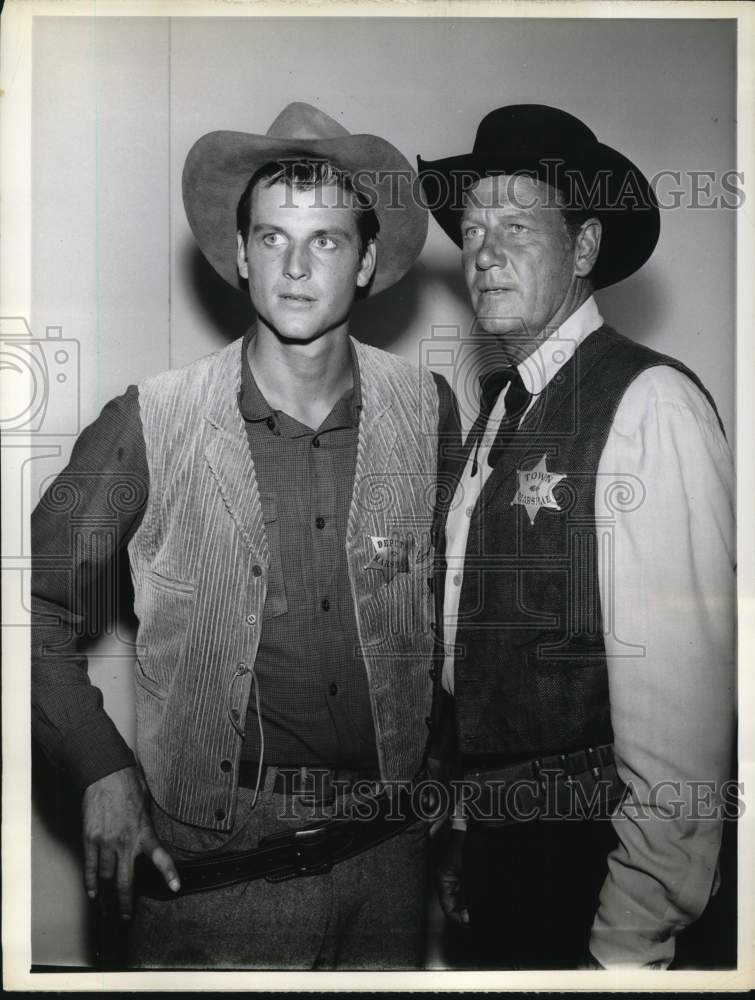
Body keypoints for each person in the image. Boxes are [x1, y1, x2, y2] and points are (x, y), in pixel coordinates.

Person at [31, 102, 459, 970]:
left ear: (369, 260)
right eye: (271, 239)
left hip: (391, 862)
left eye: (327, 241)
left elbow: (454, 615)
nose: (295, 268)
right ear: (239, 254)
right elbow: (24, 611)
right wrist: (99, 768)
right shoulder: (146, 421)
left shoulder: (432, 411)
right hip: (218, 879)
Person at [417, 104, 736, 969]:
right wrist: (462, 835)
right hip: (498, 861)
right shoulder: (494, 415)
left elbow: (683, 738)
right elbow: (470, 660)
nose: (482, 250)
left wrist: (628, 950)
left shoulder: (648, 406)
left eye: (516, 225)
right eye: (471, 227)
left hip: (594, 879)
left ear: (585, 248)